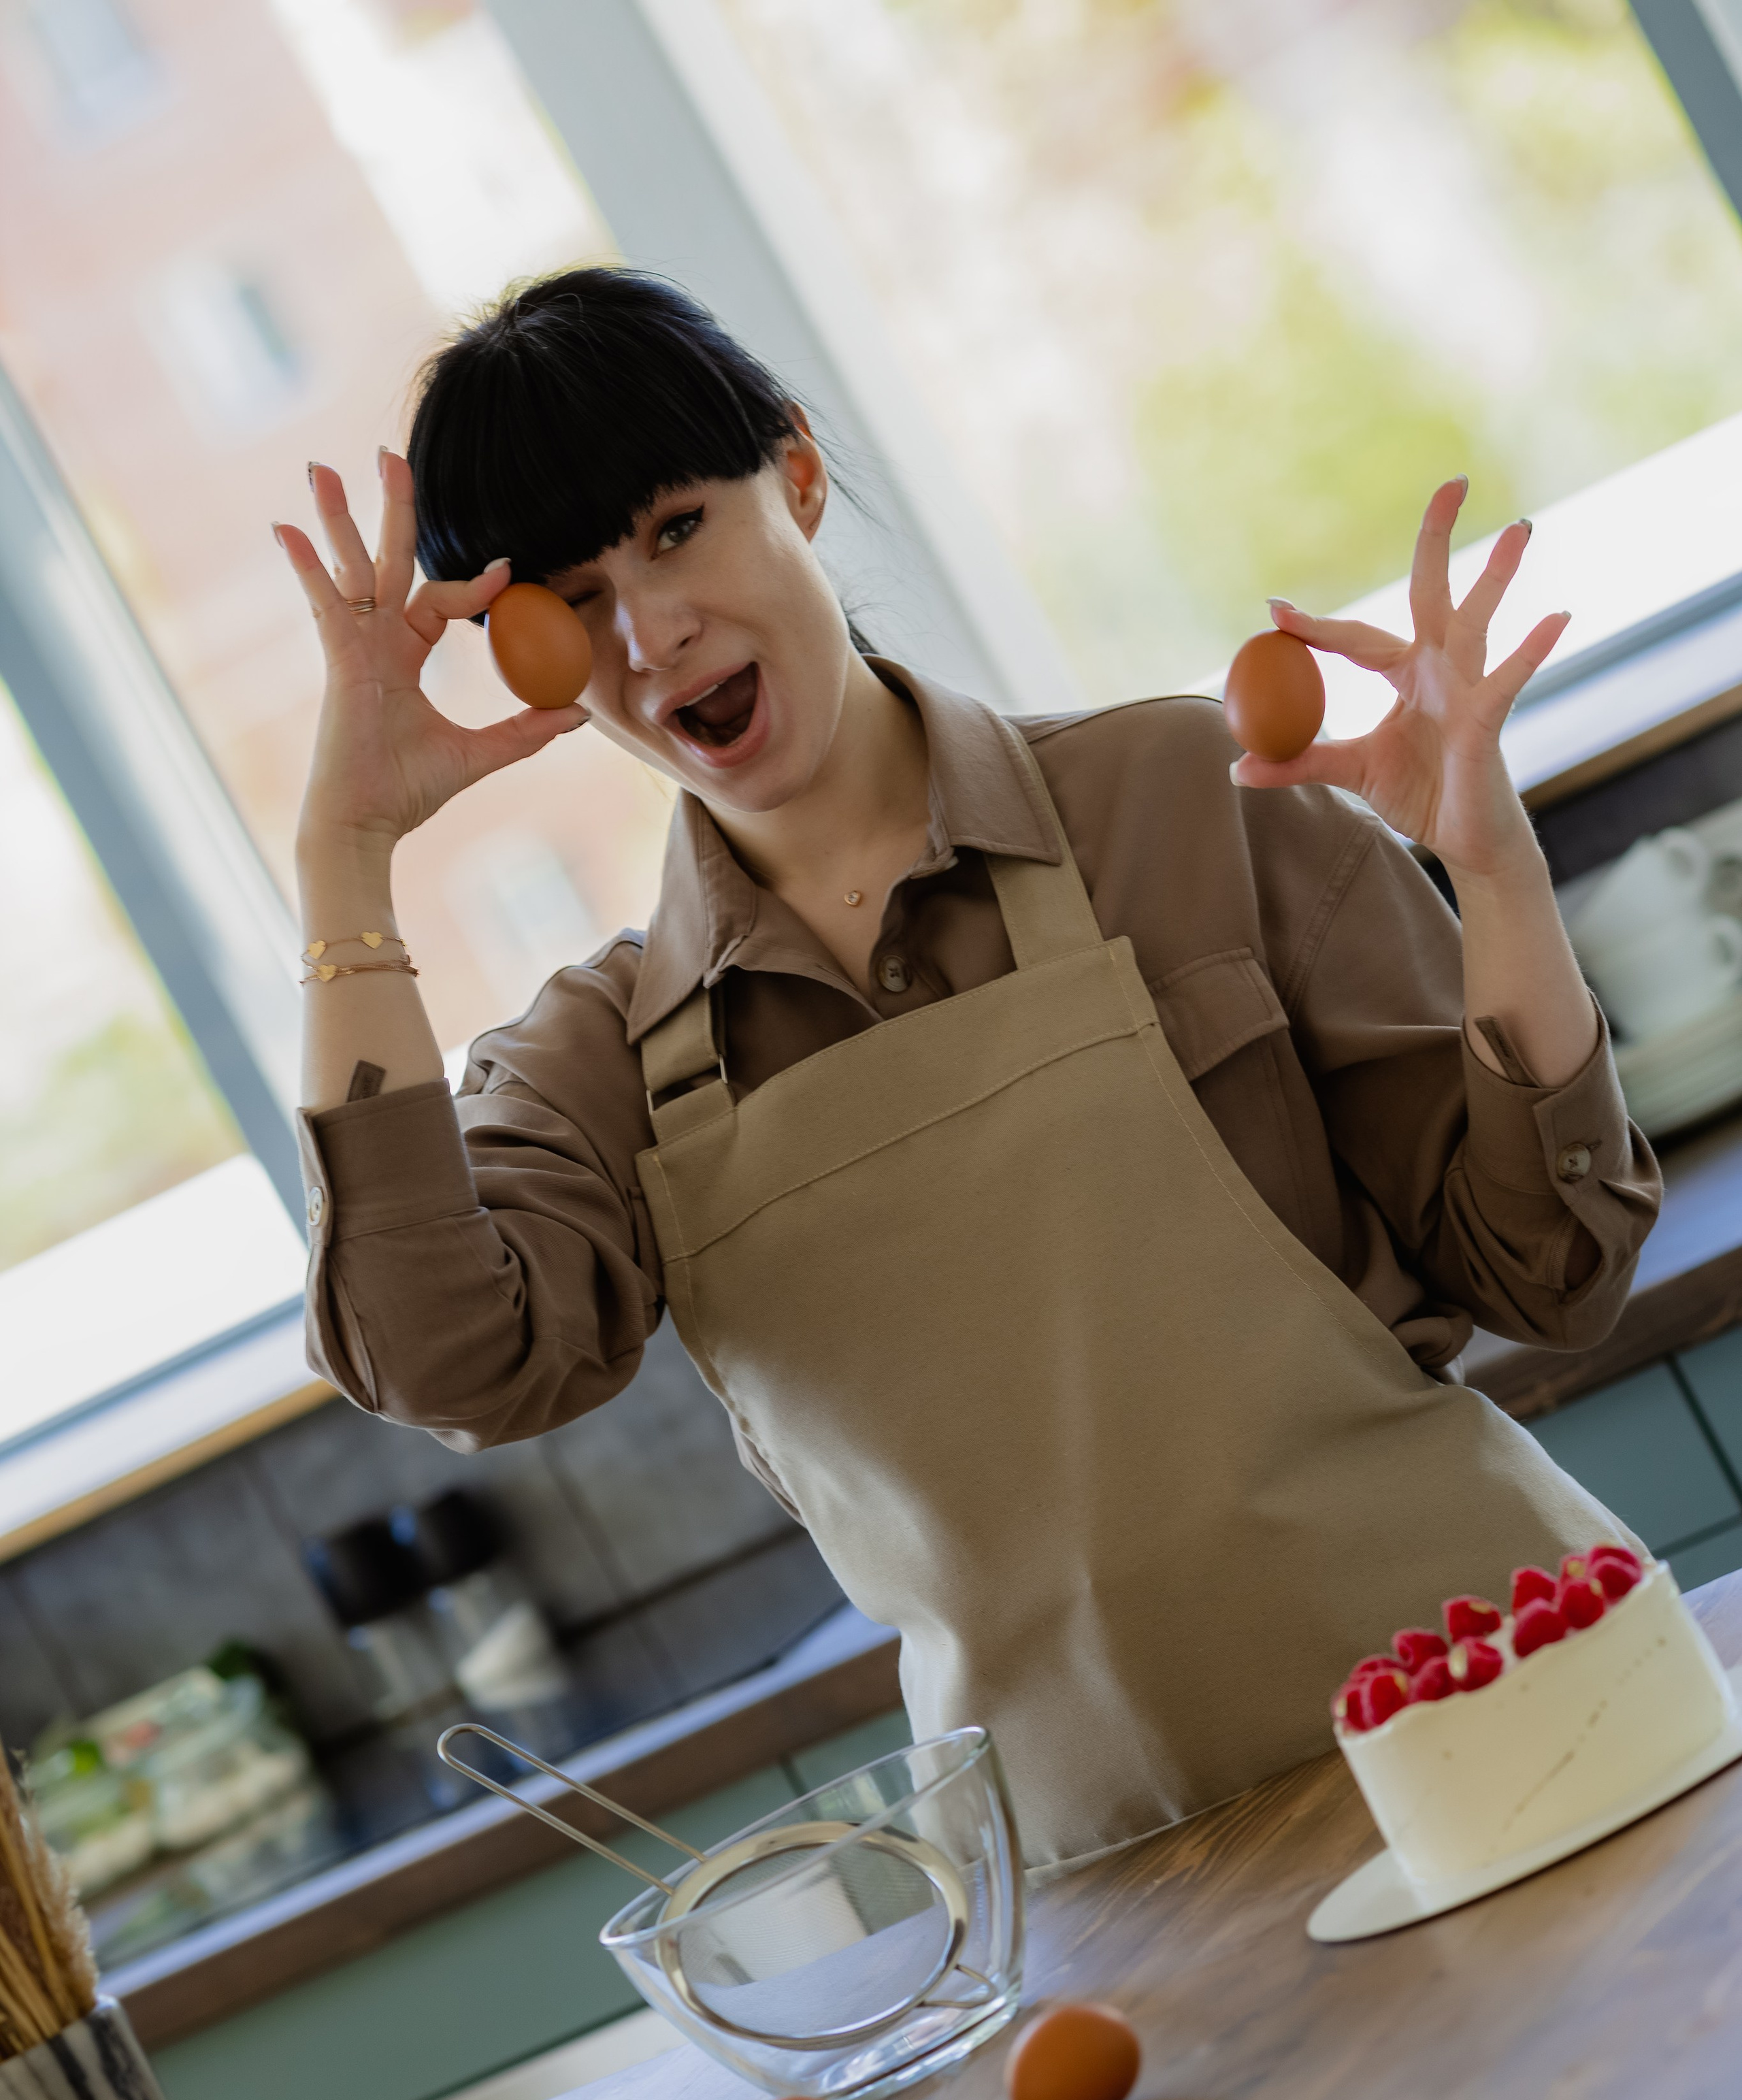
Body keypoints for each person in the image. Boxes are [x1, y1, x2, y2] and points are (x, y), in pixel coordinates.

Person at [277, 268, 1658, 1871]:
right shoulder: (595, 1062)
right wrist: (344, 860)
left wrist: (1489, 875)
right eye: (573, 601)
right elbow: (448, 1365)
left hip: (1528, 1709)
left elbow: (1552, 1266)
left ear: (791, 475)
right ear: (522, 654)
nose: (652, 633)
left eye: (675, 530)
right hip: (1115, 1883)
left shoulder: (1184, 795)